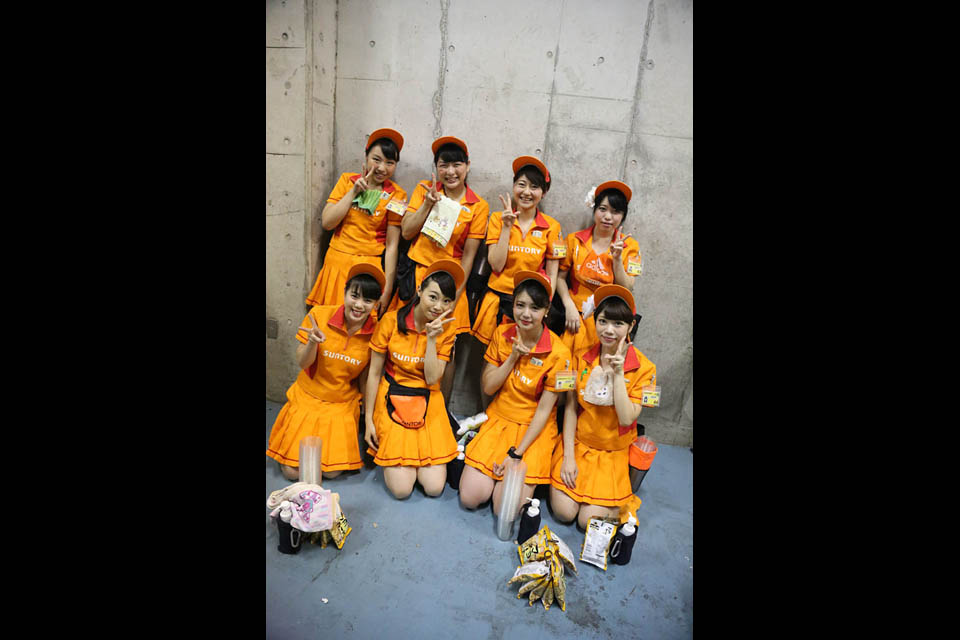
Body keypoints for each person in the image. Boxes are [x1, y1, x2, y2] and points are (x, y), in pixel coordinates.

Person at [458, 272, 573, 517]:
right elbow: (488, 387)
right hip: (500, 418)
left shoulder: (560, 353)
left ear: (546, 311)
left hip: (534, 429)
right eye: (520, 305)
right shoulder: (502, 333)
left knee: (505, 510)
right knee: (470, 497)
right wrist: (512, 357)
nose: (525, 314)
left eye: (534, 308)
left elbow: (544, 411)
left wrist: (516, 454)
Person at [549, 284, 657, 529]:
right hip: (579, 445)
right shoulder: (580, 357)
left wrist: (618, 373)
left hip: (612, 453)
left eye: (618, 324)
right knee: (564, 513)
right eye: (603, 321)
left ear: (631, 326)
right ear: (595, 321)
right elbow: (570, 409)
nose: (609, 330)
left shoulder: (646, 369)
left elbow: (627, 419)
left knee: (587, 521)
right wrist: (568, 458)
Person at [267, 263, 387, 481]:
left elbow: (367, 379)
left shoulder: (377, 332)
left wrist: (369, 418)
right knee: (292, 471)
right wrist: (312, 343)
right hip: (309, 396)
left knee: (330, 471)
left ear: (376, 304)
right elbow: (303, 363)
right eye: (354, 296)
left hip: (340, 404)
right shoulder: (319, 316)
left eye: (368, 300)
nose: (359, 305)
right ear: (344, 292)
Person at [392, 136, 489, 402]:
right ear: (436, 167)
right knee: (404, 336)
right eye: (444, 165)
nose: (450, 171)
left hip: (450, 285)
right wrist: (427, 204)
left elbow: (469, 257)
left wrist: (453, 297)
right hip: (416, 276)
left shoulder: (478, 206)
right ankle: (395, 396)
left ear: (467, 166)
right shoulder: (424, 189)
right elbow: (407, 231)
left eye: (457, 164)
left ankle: (440, 408)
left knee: (446, 351)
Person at [365, 260, 465, 499]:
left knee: (434, 488)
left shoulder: (447, 330)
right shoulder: (391, 321)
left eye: (446, 301)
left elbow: (432, 378)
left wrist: (432, 339)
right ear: (419, 290)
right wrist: (368, 420)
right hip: (392, 396)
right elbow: (374, 373)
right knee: (401, 490)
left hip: (428, 398)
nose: (438, 306)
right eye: (433, 297)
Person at [306, 128, 407, 317]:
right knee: (328, 321)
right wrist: (353, 192)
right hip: (337, 264)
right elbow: (327, 223)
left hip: (368, 270)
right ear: (366, 156)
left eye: (390, 162)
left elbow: (392, 246)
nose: (382, 168)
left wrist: (387, 288)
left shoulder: (397, 195)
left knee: (363, 328)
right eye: (376, 159)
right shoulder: (347, 181)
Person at [470, 156, 563, 347]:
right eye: (522, 184)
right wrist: (506, 227)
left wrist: (544, 305)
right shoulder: (497, 219)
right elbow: (496, 265)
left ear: (544, 193)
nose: (527, 192)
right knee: (491, 357)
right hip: (496, 300)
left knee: (522, 356)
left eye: (534, 187)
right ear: (513, 186)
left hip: (529, 307)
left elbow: (553, 273)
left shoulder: (553, 227)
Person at [554, 180, 642, 358]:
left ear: (623, 216)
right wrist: (568, 304)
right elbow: (560, 277)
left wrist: (617, 259)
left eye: (615, 212)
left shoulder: (630, 247)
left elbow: (627, 287)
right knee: (567, 364)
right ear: (594, 209)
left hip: (608, 323)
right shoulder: (574, 240)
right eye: (603, 209)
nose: (608, 217)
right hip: (575, 318)